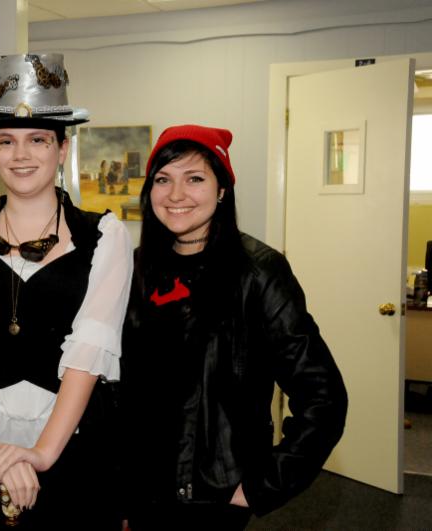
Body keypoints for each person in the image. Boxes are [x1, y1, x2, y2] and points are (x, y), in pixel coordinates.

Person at [0, 53, 132, 530]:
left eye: (38, 140)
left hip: (71, 448)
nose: (21, 155)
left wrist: (41, 454)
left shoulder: (106, 236)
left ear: (62, 150)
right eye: (6, 142)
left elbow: (88, 354)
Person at [121, 124, 348, 529]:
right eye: (163, 179)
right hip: (140, 488)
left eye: (195, 179)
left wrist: (262, 486)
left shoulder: (258, 272)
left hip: (212, 496)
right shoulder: (135, 267)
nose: (176, 194)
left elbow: (323, 395)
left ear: (222, 189)